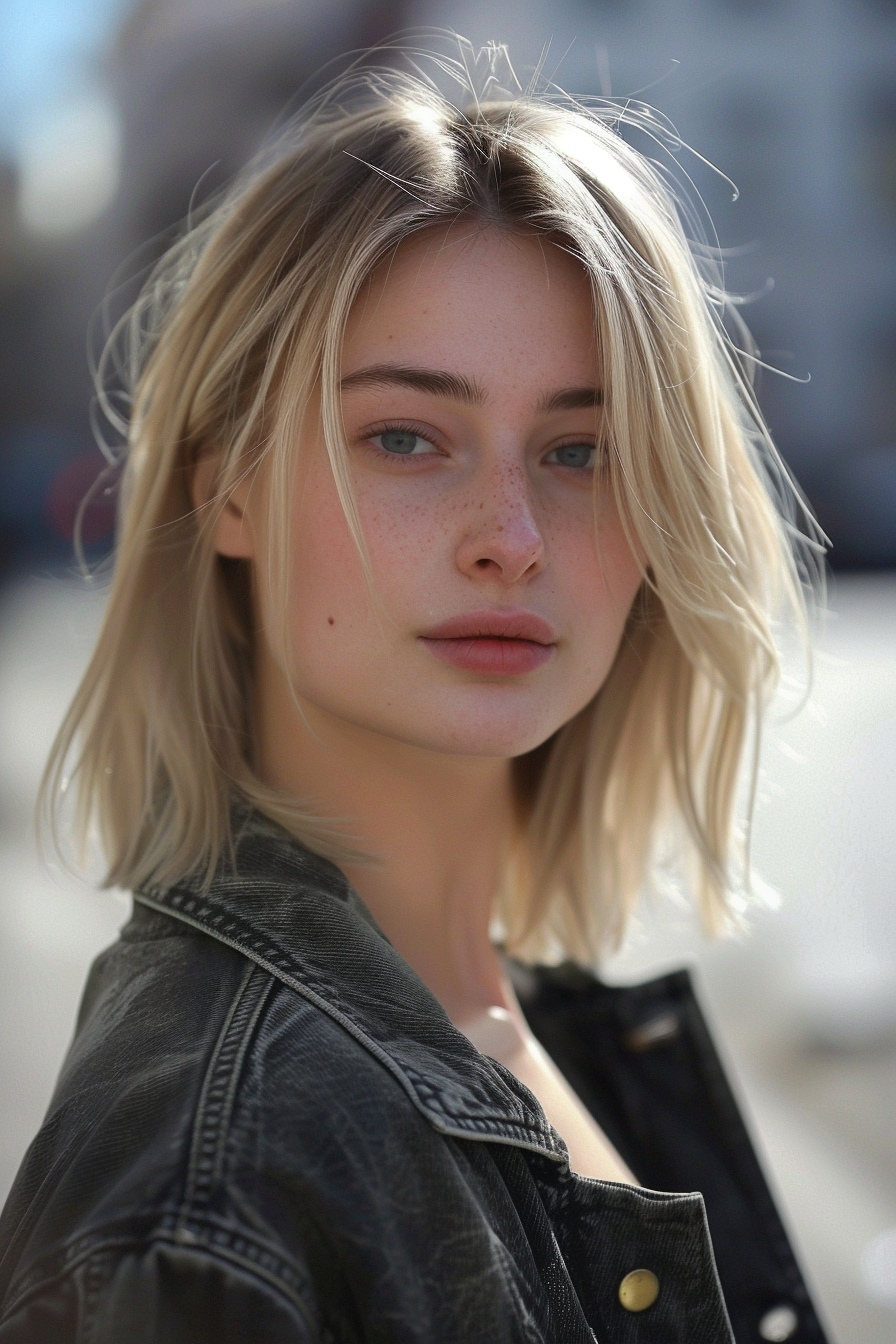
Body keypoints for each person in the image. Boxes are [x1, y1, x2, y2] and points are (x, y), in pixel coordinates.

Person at [0, 43, 828, 1344]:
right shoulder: (202, 1192)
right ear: (226, 487)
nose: (512, 535)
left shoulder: (542, 1025)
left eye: (581, 451)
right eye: (404, 437)